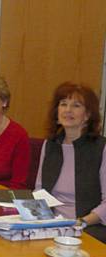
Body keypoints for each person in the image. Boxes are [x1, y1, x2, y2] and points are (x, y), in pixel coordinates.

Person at [35, 82, 106, 241]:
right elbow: (39, 190)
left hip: (88, 227)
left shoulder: (101, 148)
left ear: (87, 115)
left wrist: (80, 222)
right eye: (63, 104)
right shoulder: (50, 145)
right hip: (51, 225)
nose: (68, 110)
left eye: (76, 105)